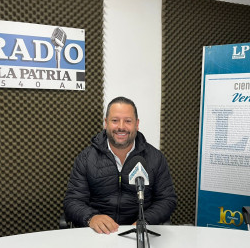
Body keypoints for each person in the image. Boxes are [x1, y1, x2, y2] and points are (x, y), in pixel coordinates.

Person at [63, 96, 177, 234]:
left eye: (128, 121)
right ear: (106, 123)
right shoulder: (86, 158)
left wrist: (146, 220)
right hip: (99, 234)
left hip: (140, 233)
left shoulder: (155, 158)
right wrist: (91, 218)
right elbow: (72, 201)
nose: (121, 127)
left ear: (137, 124)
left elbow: (167, 199)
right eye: (115, 121)